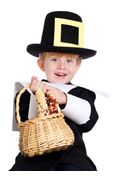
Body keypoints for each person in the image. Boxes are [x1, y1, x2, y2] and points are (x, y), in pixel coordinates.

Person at [10, 11, 99, 171]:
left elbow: (89, 120)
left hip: (70, 159)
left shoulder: (80, 93)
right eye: (54, 59)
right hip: (33, 160)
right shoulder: (30, 90)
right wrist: (35, 94)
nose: (62, 66)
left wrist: (63, 98)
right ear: (41, 64)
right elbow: (21, 121)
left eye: (69, 60)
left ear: (78, 66)